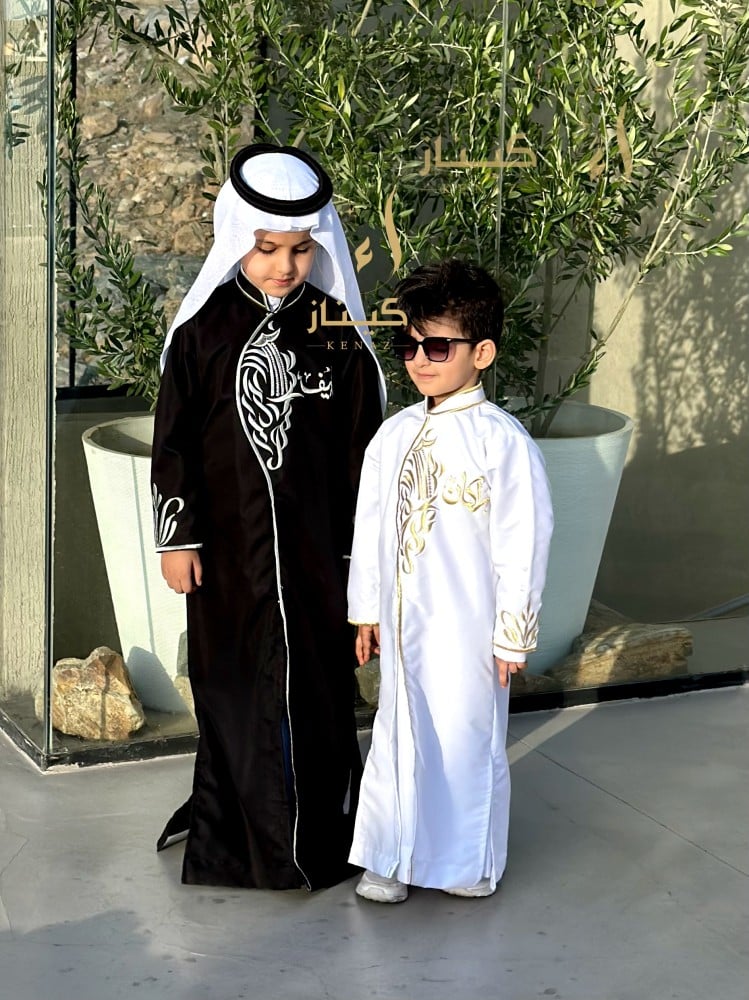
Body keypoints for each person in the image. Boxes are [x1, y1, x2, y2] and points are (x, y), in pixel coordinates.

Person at [151, 143, 385, 891]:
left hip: (318, 558)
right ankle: (235, 842)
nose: (285, 265)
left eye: (300, 249)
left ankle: (320, 835)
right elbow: (174, 442)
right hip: (225, 556)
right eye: (266, 248)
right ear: (236, 241)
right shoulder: (203, 333)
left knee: (317, 688)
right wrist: (177, 537)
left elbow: (362, 454)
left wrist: (360, 564)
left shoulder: (338, 333)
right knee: (232, 685)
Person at [347, 258, 554, 903]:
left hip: (467, 628)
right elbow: (370, 529)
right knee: (397, 733)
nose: (420, 360)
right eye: (409, 346)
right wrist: (366, 610)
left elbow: (524, 540)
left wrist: (512, 634)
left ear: (481, 352)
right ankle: (388, 855)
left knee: (465, 739)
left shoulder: (503, 442)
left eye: (437, 347)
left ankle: (467, 862)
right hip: (401, 626)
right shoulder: (393, 435)